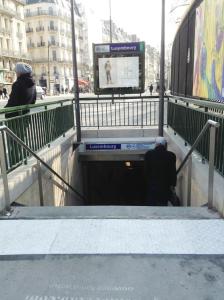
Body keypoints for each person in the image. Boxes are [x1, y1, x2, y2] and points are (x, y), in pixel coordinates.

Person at [144, 137, 177, 206]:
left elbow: (146, 170)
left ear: (156, 144)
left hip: (153, 184)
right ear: (165, 145)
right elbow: (173, 171)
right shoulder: (171, 155)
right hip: (165, 185)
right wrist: (173, 184)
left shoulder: (149, 154)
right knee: (163, 203)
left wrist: (147, 181)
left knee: (152, 204)